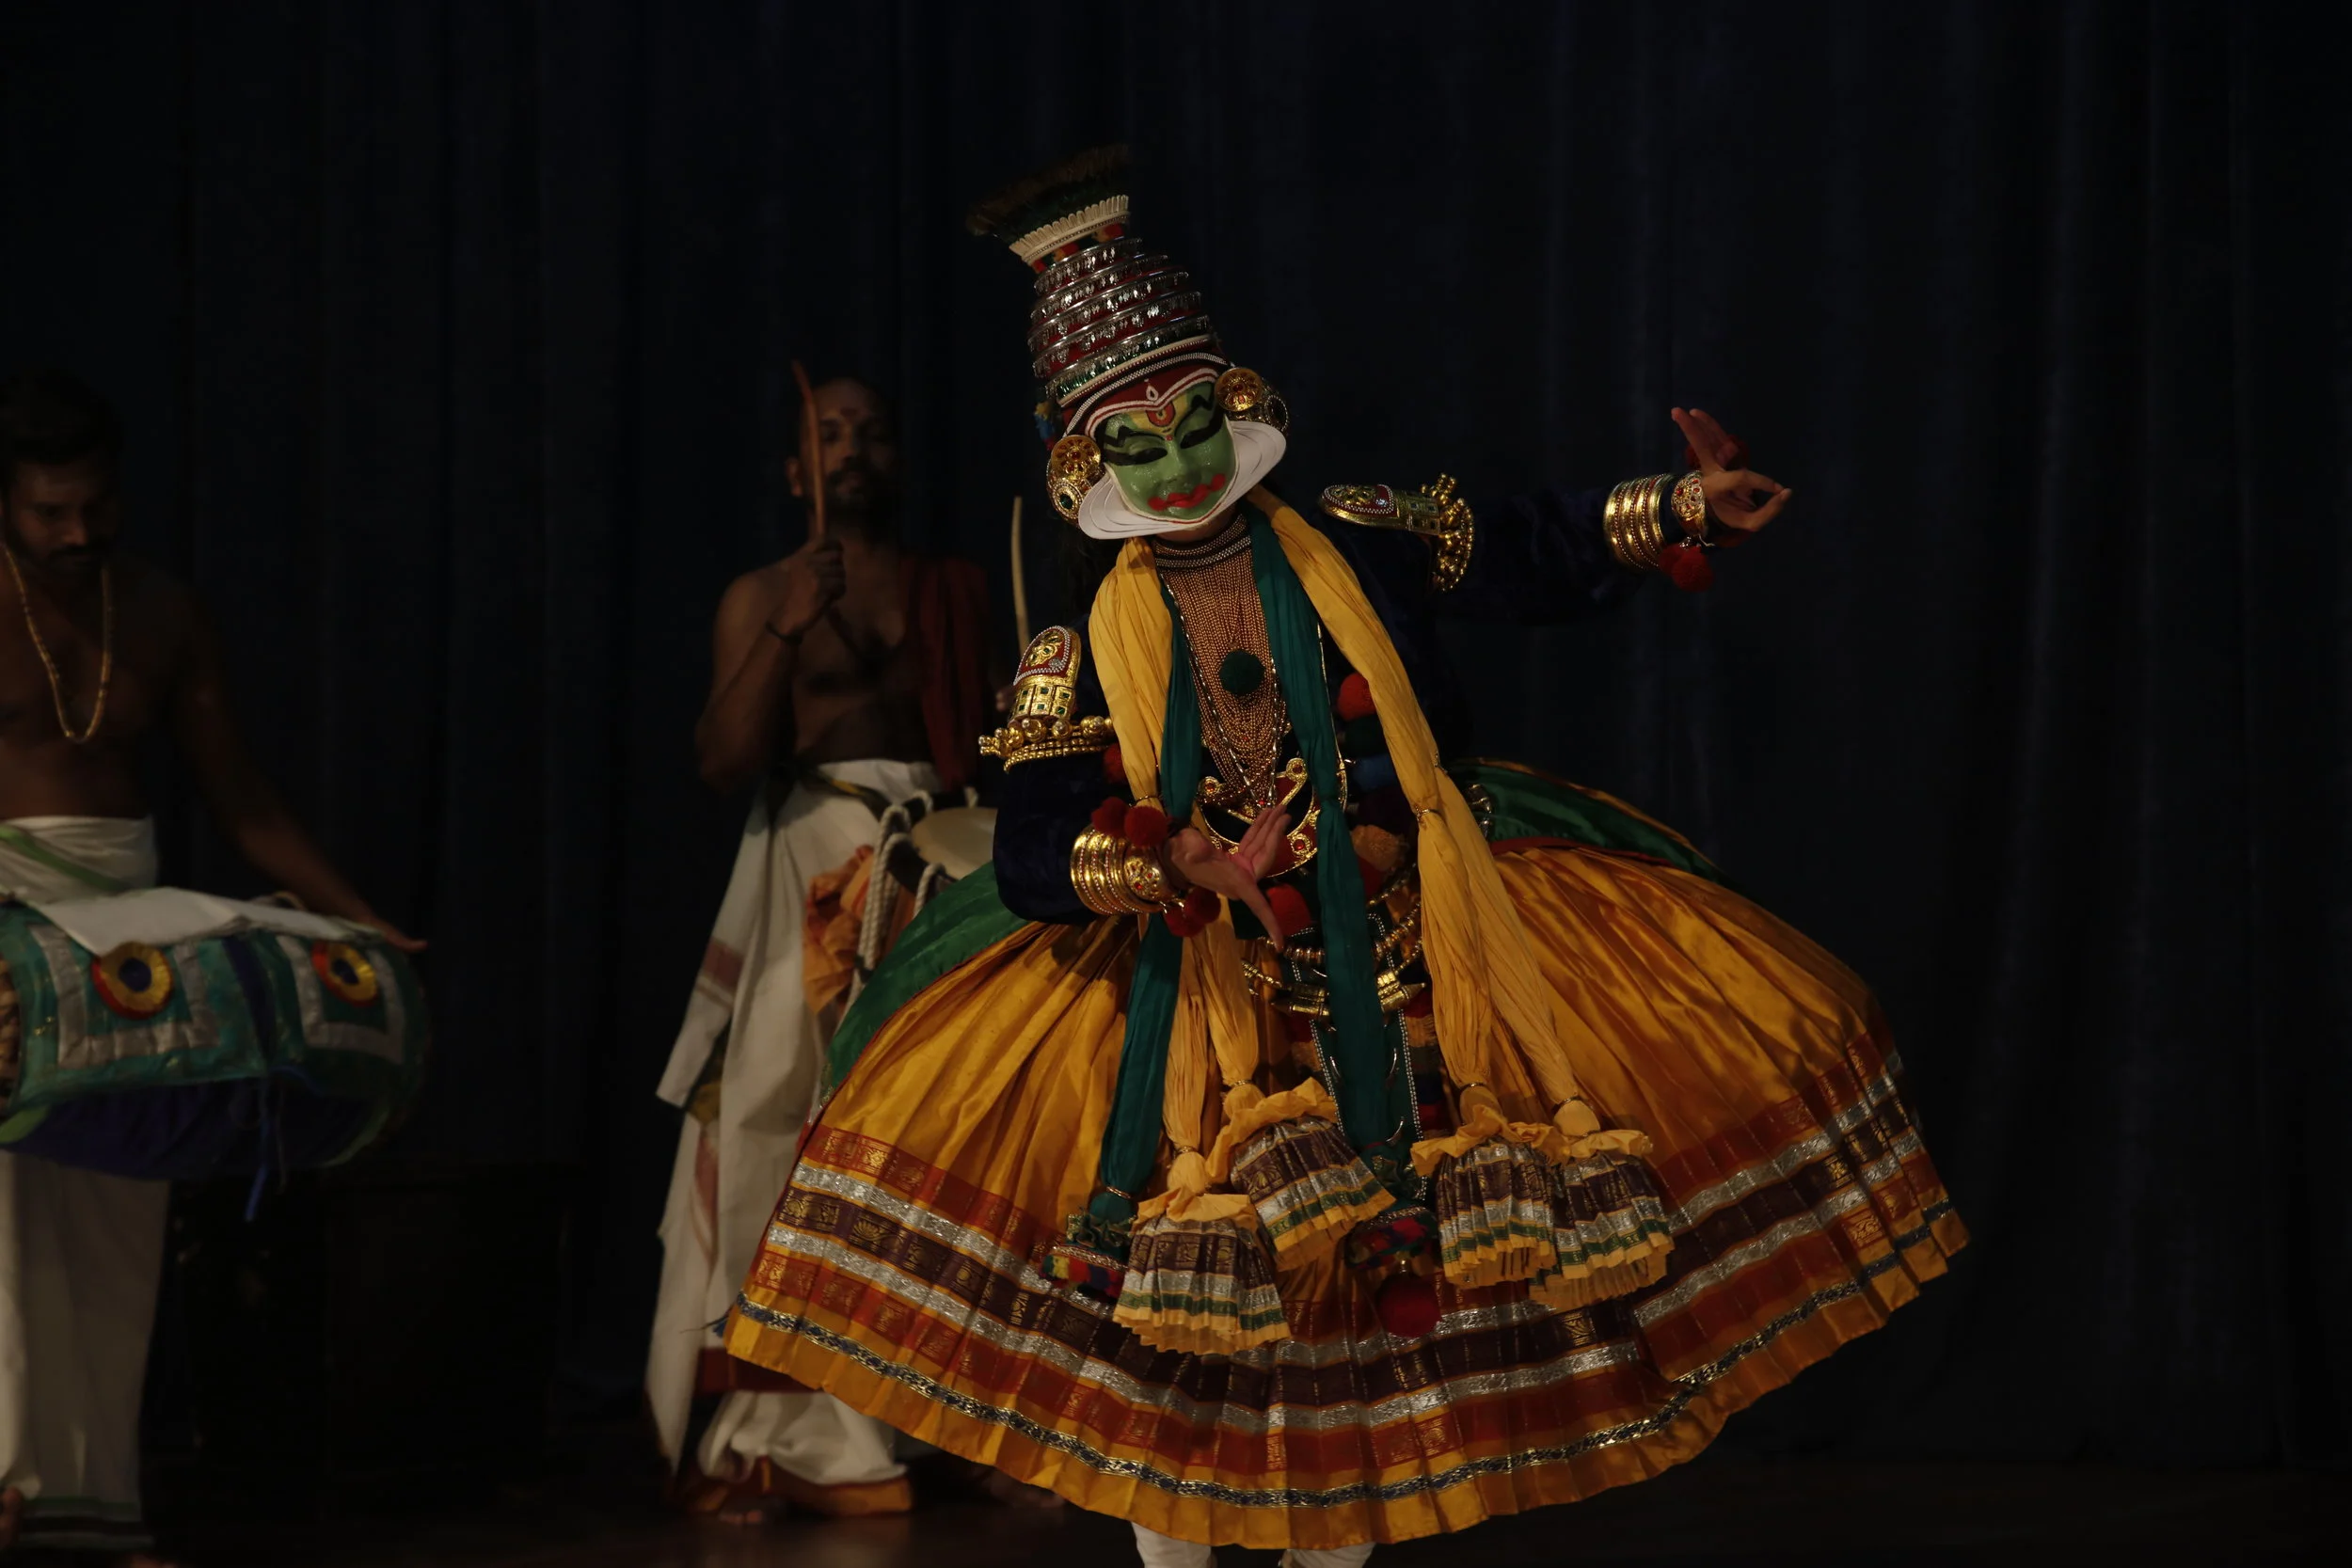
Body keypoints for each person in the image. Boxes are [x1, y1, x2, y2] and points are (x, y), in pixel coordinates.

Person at [723, 151, 1967, 1565]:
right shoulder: (1074, 649)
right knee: (1183, 1358)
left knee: (1382, 1344)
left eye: (1194, 420)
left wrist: (1678, 508)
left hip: (1411, 957)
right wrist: (1171, 857)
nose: (1180, 462)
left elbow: (1532, 546)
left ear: (1236, 402)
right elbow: (1025, 844)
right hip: (1200, 1014)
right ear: (1086, 459)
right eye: (1139, 441)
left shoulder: (1355, 543)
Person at [0, 367, 420, 1566]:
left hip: (130, 933)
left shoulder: (166, 610)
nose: (79, 530)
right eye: (49, 513)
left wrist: (358, 922)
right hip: (4, 920)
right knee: (1, 1222)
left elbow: (242, 799)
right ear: (5, 504)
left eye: (95, 505)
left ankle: (92, 1500)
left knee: (121, 1212)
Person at [647, 375, 994, 1522]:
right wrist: (792, 622)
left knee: (940, 1136)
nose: (853, 451)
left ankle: (945, 1412)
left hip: (940, 869)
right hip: (814, 863)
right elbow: (720, 760)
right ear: (796, 474)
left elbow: (1000, 741)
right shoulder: (763, 593)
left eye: (872, 432)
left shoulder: (954, 589)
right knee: (780, 1131)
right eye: (828, 435)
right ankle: (781, 1425)